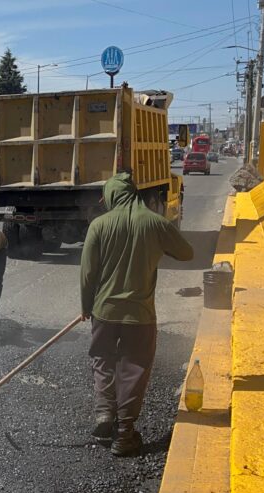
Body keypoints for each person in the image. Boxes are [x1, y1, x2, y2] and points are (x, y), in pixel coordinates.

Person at [80, 172, 193, 456]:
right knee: (134, 368)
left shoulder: (98, 225)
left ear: (112, 196)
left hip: (104, 311)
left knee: (102, 359)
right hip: (140, 315)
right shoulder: (154, 223)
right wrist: (156, 245)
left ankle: (105, 412)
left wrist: (85, 306)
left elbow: (88, 273)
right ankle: (124, 434)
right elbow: (186, 253)